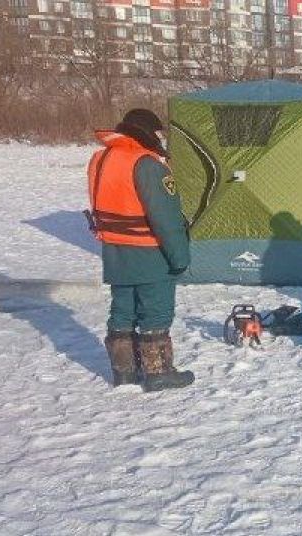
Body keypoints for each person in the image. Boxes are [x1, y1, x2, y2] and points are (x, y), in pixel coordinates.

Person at [88, 109, 195, 392]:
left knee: (122, 311)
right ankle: (159, 372)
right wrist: (180, 257)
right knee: (155, 313)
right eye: (158, 133)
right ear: (147, 132)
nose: (161, 138)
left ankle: (124, 372)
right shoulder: (148, 164)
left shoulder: (101, 159)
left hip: (115, 252)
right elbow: (166, 219)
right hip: (150, 254)